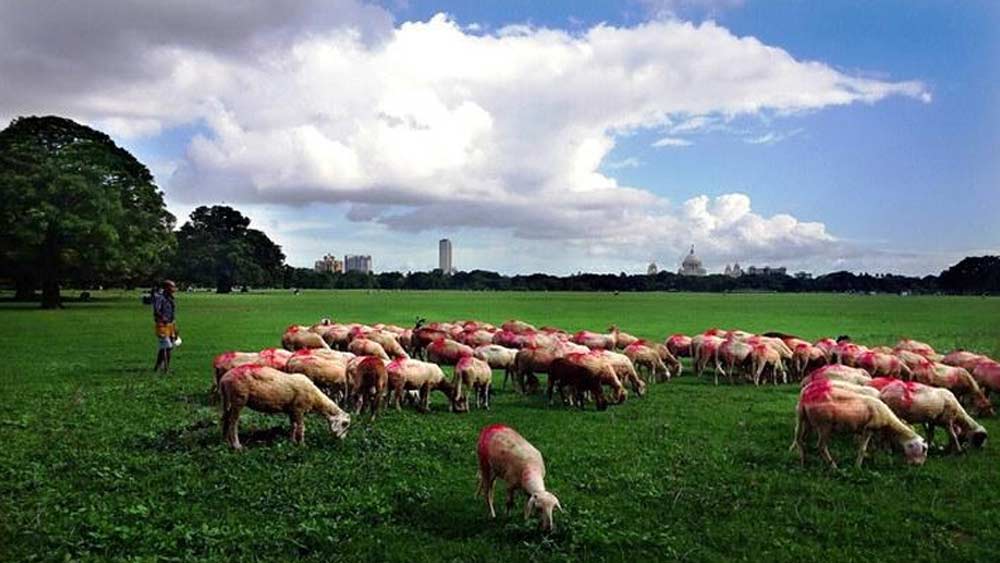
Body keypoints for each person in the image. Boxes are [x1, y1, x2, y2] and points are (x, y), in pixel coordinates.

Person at [153, 280, 179, 373]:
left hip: (170, 325)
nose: (174, 289)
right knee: (166, 347)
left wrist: (175, 326)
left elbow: (172, 314)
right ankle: (166, 369)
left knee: (167, 347)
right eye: (172, 287)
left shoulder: (171, 298)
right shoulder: (160, 298)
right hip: (162, 325)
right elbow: (156, 311)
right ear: (166, 288)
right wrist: (162, 318)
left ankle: (158, 367)